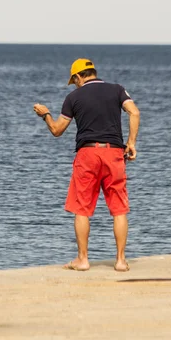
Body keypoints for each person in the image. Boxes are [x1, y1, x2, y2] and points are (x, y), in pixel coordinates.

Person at [33, 58, 140, 272]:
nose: (75, 85)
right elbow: (134, 112)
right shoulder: (117, 90)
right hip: (113, 152)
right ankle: (120, 261)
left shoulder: (73, 97)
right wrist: (131, 143)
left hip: (88, 153)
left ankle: (82, 260)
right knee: (119, 209)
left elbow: (57, 130)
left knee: (82, 208)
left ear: (79, 77)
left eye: (74, 81)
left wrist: (45, 114)